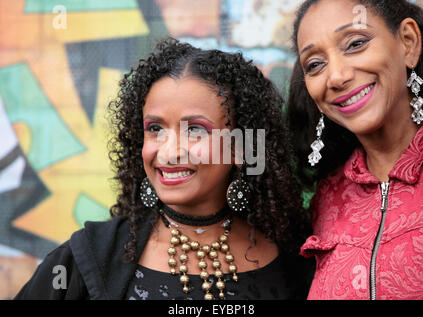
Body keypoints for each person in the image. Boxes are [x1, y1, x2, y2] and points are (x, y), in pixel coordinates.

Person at [14, 38, 312, 300]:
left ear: (241, 146)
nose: (169, 152)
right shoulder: (88, 256)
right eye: (155, 128)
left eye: (195, 129)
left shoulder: (295, 256)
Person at [286, 0, 423, 300]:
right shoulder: (324, 196)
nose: (336, 76)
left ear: (408, 43)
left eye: (355, 44)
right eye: (315, 65)